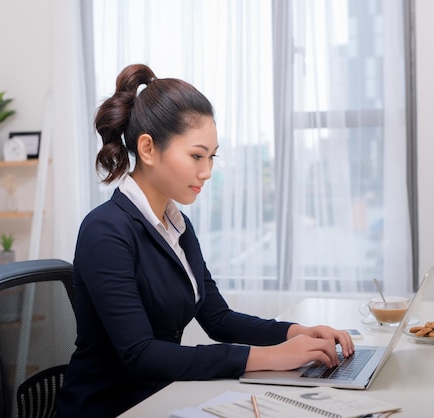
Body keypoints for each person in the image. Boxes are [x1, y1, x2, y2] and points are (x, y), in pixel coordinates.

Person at [57, 63, 354, 417]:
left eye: (212, 157)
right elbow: (141, 355)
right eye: (197, 156)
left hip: (162, 398)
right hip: (111, 408)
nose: (207, 172)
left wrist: (296, 332)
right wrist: (268, 357)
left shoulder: (176, 226)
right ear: (148, 149)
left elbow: (218, 319)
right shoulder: (105, 231)